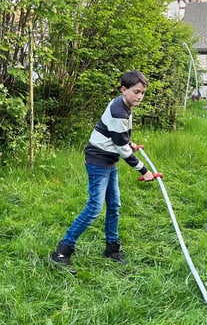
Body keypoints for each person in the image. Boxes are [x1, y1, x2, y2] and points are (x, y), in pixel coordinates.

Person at [50, 70, 155, 273]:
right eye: (136, 92)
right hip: (98, 161)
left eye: (142, 93)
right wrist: (143, 170)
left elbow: (117, 136)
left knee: (114, 205)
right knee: (94, 208)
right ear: (124, 90)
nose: (140, 96)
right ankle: (62, 252)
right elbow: (122, 149)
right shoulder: (119, 110)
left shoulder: (124, 104)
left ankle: (112, 249)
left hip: (109, 160)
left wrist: (127, 141)